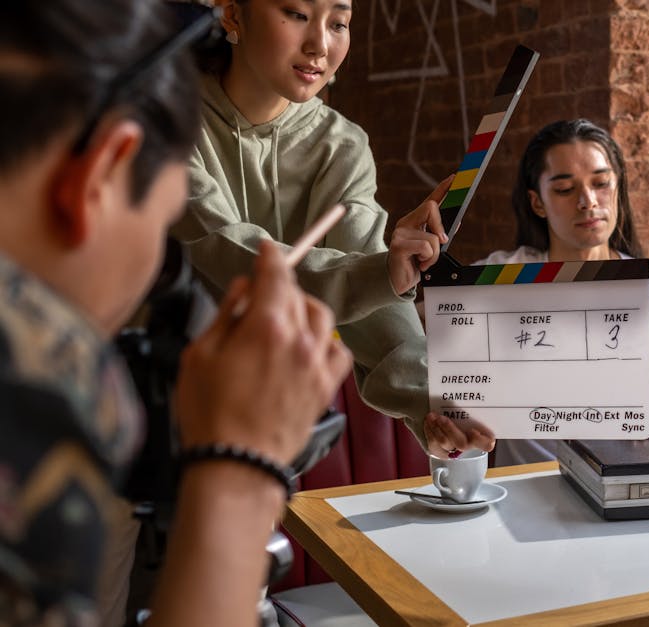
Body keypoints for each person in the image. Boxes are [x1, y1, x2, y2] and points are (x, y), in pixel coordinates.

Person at [0, 2, 353, 625]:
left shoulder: (341, 144)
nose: (318, 43)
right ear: (101, 173)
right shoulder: (32, 401)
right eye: (164, 225)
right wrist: (241, 473)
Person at [169, 0, 492, 458]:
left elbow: (369, 289)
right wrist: (380, 272)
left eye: (338, 23)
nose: (320, 44)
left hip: (271, 429)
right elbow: (225, 248)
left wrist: (433, 403)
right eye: (297, 15)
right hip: (151, 409)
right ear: (233, 15)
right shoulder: (171, 120)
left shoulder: (343, 146)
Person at [477, 119, 649, 466]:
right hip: (524, 491)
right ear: (537, 202)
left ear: (617, 188)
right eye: (565, 190)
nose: (587, 201)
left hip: (625, 487)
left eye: (600, 184)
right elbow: (410, 321)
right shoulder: (502, 278)